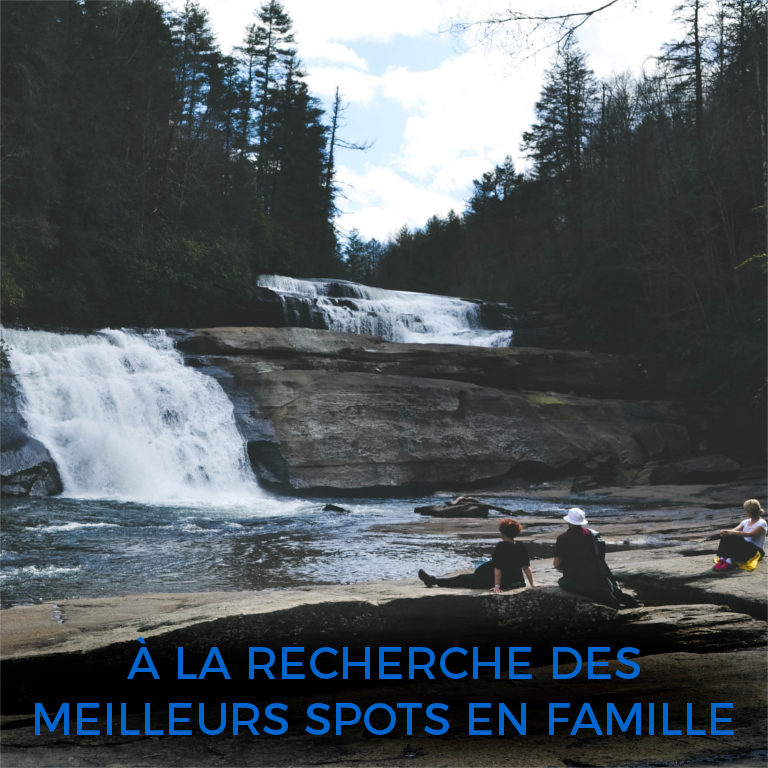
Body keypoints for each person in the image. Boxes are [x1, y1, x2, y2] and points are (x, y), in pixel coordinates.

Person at [418, 518, 541, 592]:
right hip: (516, 581)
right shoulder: (521, 546)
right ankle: (433, 580)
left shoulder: (501, 546)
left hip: (499, 581)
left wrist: (497, 586)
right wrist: (532, 584)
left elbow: (498, 568)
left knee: (462, 579)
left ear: (502, 533)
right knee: (479, 567)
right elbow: (526, 567)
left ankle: (433, 581)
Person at [554, 507, 623, 609]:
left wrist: (565, 567)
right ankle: (601, 593)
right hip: (594, 580)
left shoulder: (562, 538)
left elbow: (557, 564)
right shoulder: (592, 535)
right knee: (589, 586)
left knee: (561, 582)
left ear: (568, 520)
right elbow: (600, 559)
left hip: (573, 579)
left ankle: (597, 595)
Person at [713, 499, 766, 572]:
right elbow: (734, 530)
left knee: (733, 535)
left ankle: (729, 562)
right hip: (744, 549)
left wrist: (731, 532)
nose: (745, 512)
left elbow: (750, 534)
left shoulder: (762, 523)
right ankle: (722, 559)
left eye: (745, 510)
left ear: (750, 510)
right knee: (728, 535)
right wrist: (725, 532)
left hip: (755, 551)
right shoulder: (745, 522)